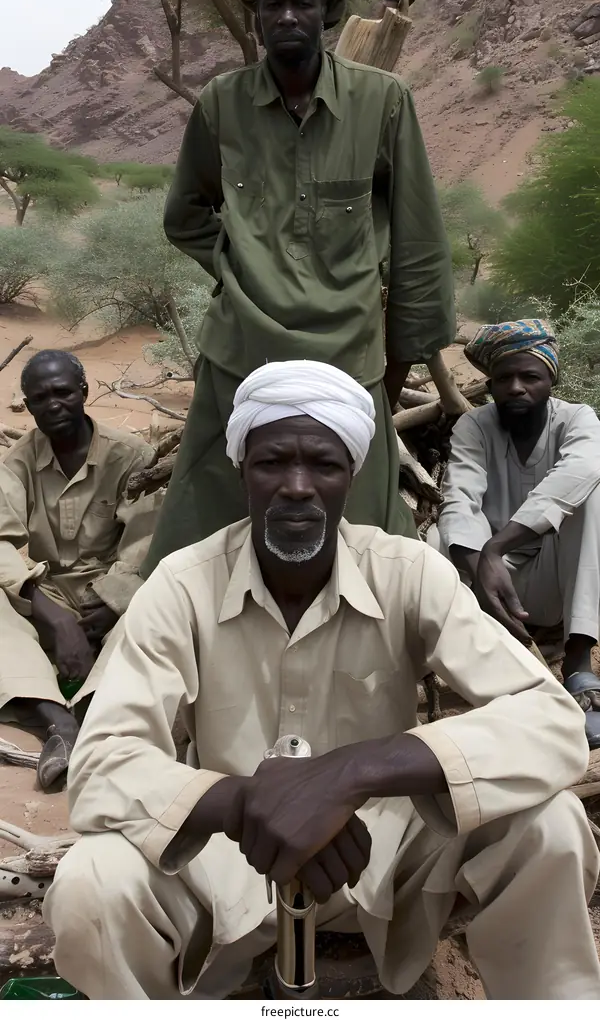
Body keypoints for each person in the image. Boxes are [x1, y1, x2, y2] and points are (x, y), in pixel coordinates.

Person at [45, 360, 599, 1000]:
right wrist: (247, 803)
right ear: (242, 471)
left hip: (384, 851)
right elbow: (102, 762)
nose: (297, 488)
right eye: (272, 462)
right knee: (89, 881)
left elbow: (552, 720)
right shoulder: (181, 583)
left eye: (325, 466)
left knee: (550, 826)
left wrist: (351, 773)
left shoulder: (408, 572)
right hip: (226, 854)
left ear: (352, 476)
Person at [142, 0, 455, 577]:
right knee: (202, 530)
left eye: (302, 3)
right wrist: (235, 264)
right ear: (256, 18)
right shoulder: (222, 104)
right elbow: (185, 215)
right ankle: (178, 647)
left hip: (348, 355)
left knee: (364, 534)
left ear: (327, 13)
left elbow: (419, 237)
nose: (287, 15)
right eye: (273, 5)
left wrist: (403, 352)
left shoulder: (383, 101)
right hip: (241, 351)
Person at [436, 319, 600, 749]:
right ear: (489, 384)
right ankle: (484, 663)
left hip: (556, 578)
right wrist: (482, 562)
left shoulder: (577, 419)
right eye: (504, 377)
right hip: (490, 590)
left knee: (591, 496)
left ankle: (579, 663)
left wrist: (496, 546)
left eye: (531, 376)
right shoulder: (474, 427)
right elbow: (460, 499)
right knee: (439, 538)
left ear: (551, 380)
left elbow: (581, 469)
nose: (516, 387)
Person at [0, 349, 155, 790]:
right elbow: (2, 544)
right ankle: (59, 724)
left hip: (112, 591)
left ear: (84, 392)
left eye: (63, 392)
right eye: (40, 397)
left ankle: (90, 712)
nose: (53, 404)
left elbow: (145, 544)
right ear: (27, 406)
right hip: (46, 591)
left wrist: (111, 604)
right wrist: (54, 618)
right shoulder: (17, 462)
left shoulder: (132, 456)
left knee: (154, 612)